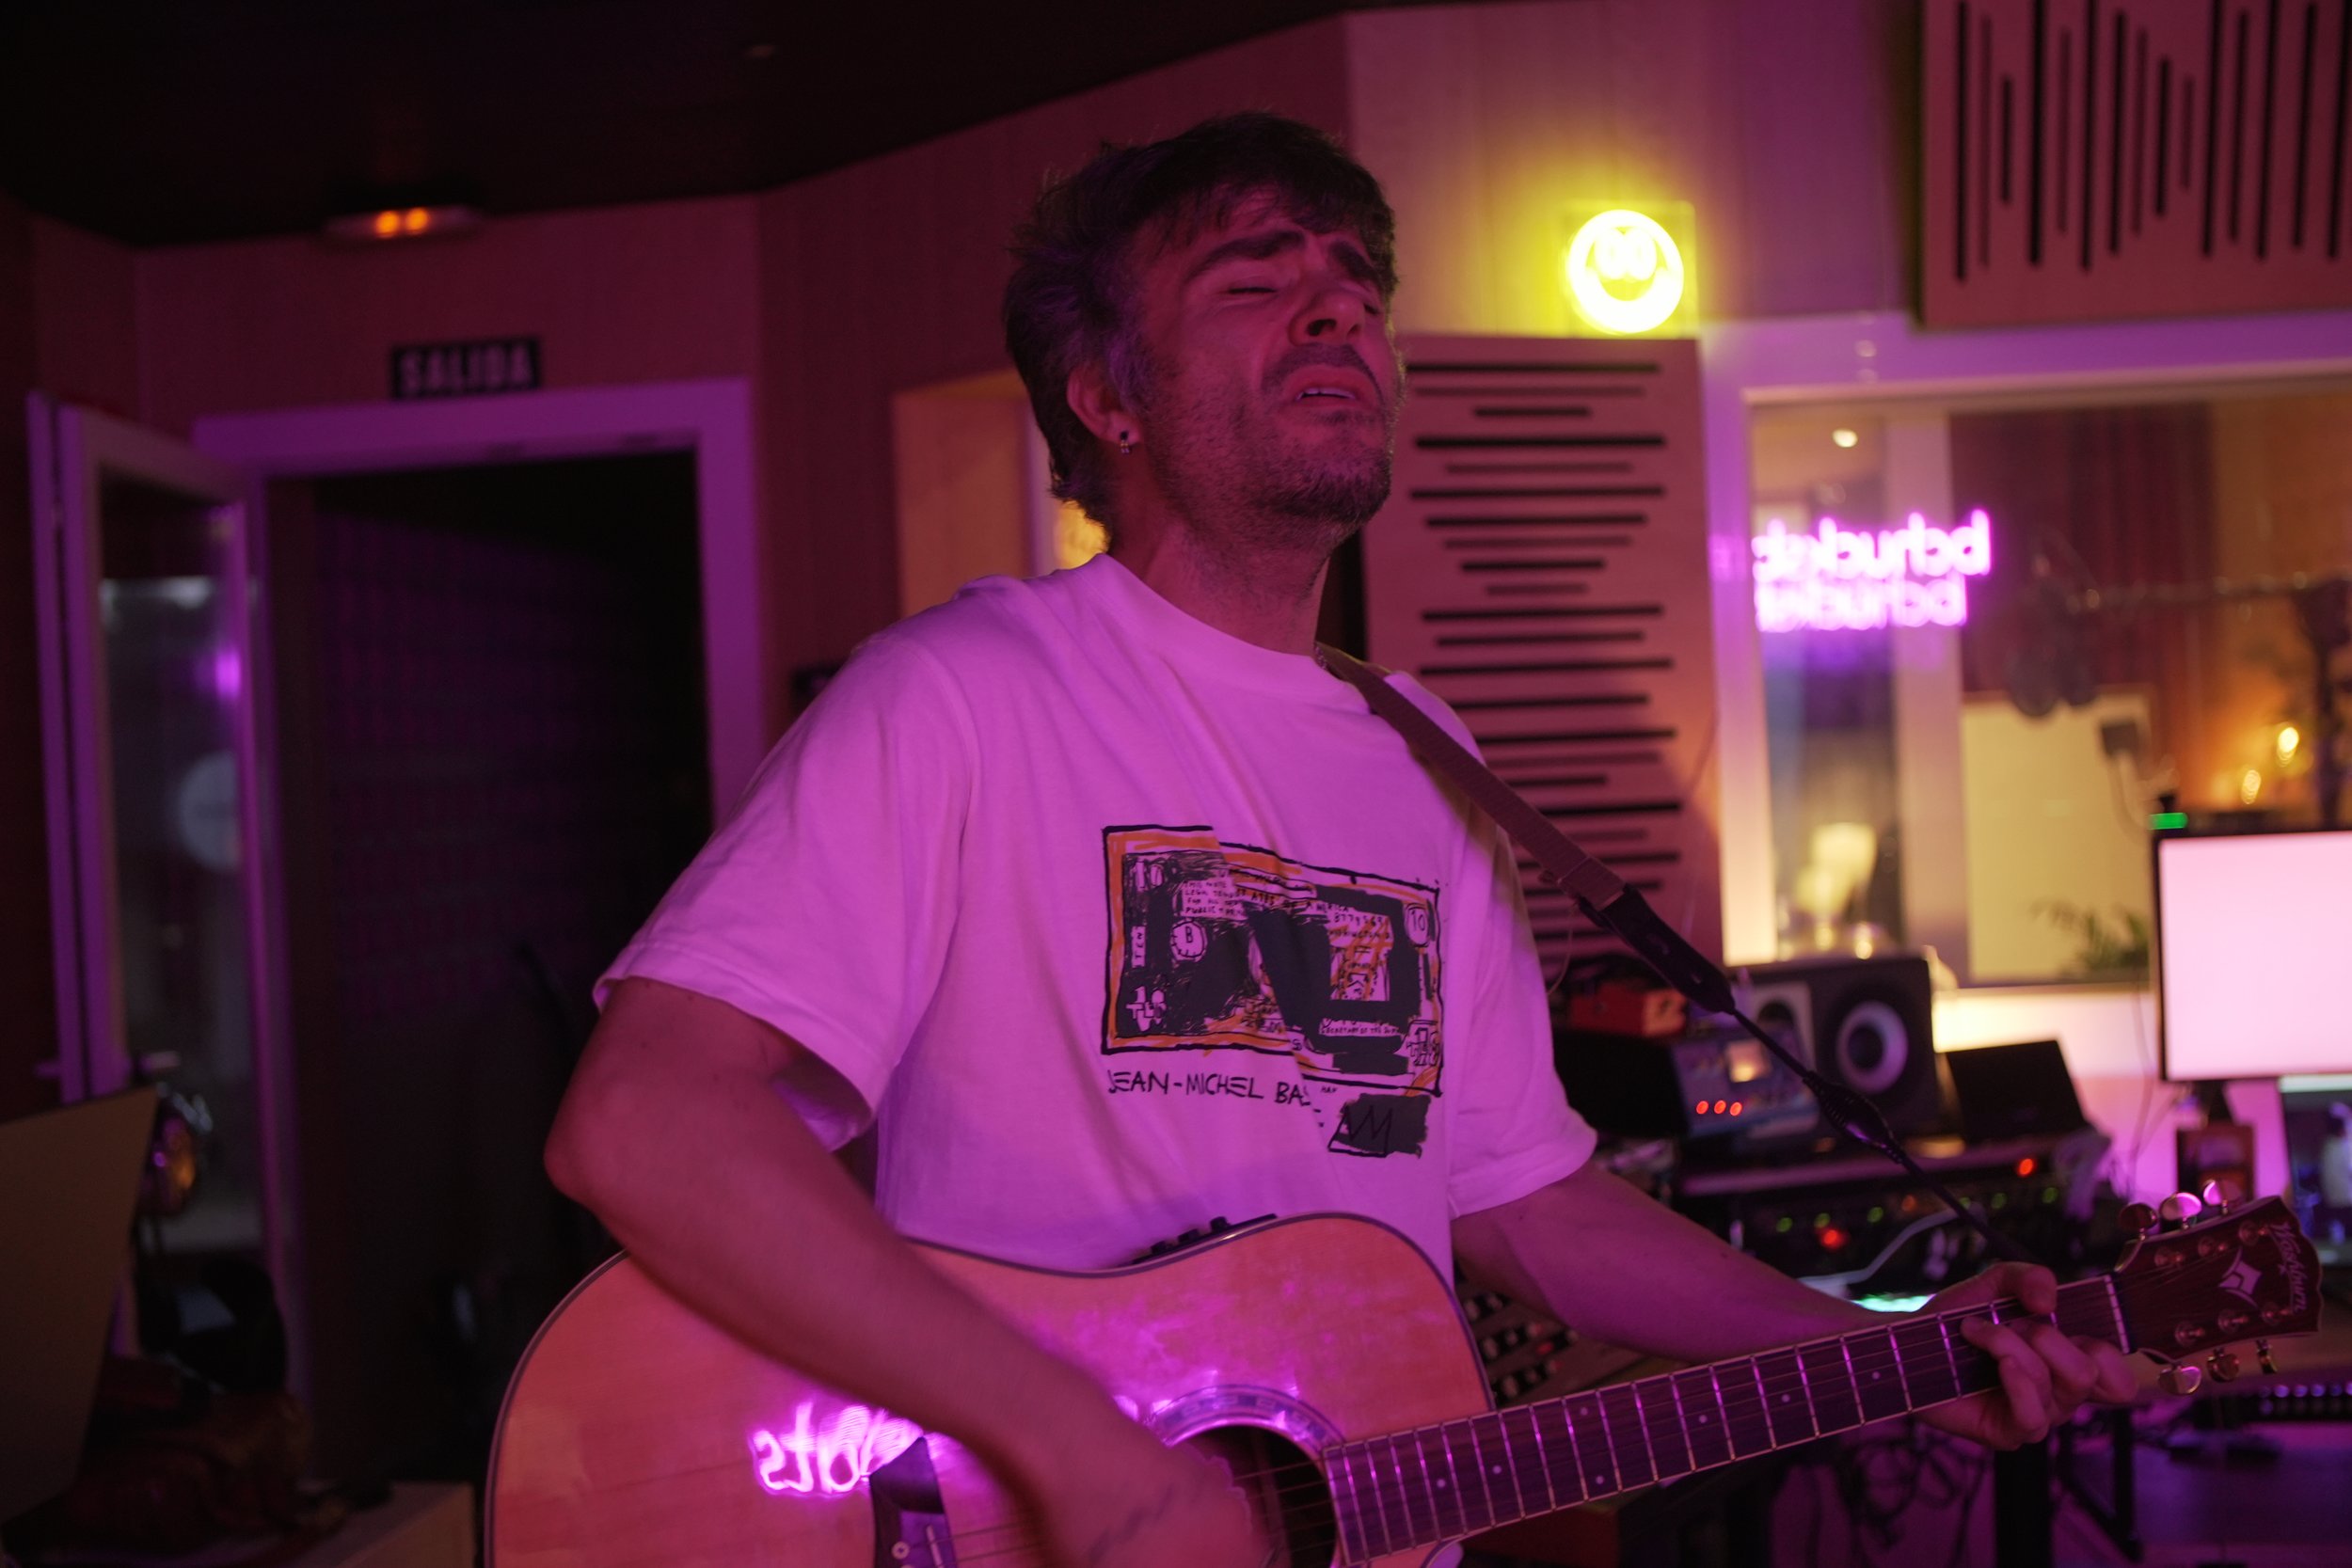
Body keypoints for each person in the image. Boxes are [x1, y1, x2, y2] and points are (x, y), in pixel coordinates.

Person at [545, 113, 2136, 1568]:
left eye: (1358, 282)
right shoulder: (960, 697)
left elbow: (1527, 1203)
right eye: (1259, 279)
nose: (1338, 309)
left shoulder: (1425, 755)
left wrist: (1885, 1353)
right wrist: (1083, 1459)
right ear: (1108, 397)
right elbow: (642, 1121)